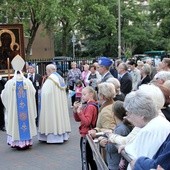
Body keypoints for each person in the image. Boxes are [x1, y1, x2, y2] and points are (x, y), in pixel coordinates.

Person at [123, 91, 170, 170]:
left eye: (129, 113)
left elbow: (142, 160)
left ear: (141, 115)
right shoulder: (160, 122)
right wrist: (127, 148)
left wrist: (137, 161)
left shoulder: (149, 130)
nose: (128, 117)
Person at [1, 55, 37, 149]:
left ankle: (17, 143)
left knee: (15, 124)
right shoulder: (28, 82)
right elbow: (34, 93)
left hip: (15, 111)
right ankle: (26, 142)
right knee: (26, 122)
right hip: (26, 111)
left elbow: (4, 95)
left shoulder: (10, 83)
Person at [38, 64, 71, 143]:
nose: (46, 72)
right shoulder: (60, 78)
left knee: (52, 118)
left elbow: (45, 93)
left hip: (51, 105)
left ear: (49, 71)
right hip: (59, 105)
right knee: (59, 116)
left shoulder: (50, 80)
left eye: (46, 71)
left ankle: (53, 137)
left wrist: (40, 93)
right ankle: (62, 134)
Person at [99, 101, 132, 170]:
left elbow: (111, 148)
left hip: (116, 164)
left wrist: (103, 143)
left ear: (113, 113)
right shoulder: (123, 126)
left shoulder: (120, 129)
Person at [73, 86, 98, 170]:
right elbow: (78, 119)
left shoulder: (90, 106)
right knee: (89, 158)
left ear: (91, 94)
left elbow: (86, 122)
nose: (82, 96)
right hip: (88, 135)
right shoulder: (89, 105)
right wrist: (76, 110)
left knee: (85, 159)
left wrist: (79, 112)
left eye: (84, 94)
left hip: (86, 135)